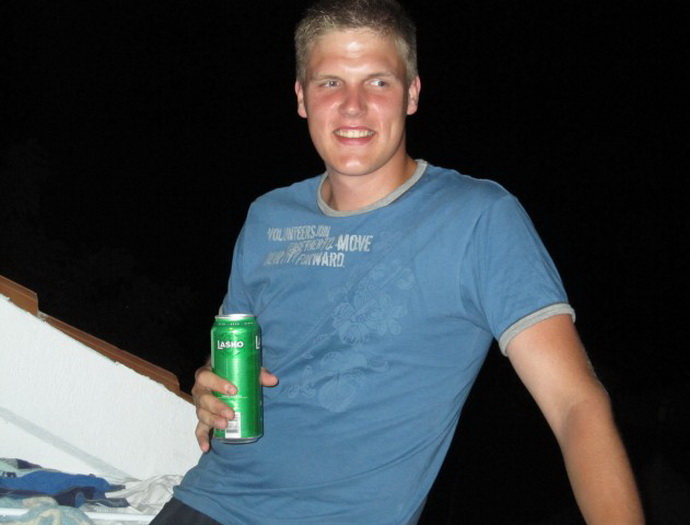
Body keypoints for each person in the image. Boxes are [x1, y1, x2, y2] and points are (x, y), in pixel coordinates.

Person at [153, 1, 644, 523]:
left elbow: (575, 404)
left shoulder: (476, 218)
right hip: (204, 502)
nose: (353, 106)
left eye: (378, 82)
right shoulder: (267, 216)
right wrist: (209, 385)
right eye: (331, 83)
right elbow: (233, 358)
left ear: (411, 94)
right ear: (301, 97)